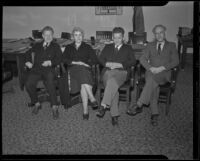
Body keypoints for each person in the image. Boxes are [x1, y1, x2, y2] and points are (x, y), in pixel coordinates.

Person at [126, 24, 179, 126]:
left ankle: (139, 104)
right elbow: (142, 59)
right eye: (156, 33)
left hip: (165, 73)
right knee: (152, 83)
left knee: (151, 81)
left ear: (164, 33)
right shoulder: (150, 45)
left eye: (161, 33)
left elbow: (176, 61)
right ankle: (154, 114)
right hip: (151, 72)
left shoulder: (171, 45)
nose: (159, 35)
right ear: (154, 35)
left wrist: (161, 68)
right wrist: (150, 68)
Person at [96, 27, 136, 126]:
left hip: (121, 73)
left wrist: (120, 65)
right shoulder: (108, 47)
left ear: (123, 37)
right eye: (115, 37)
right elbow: (100, 59)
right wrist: (108, 64)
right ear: (112, 38)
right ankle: (113, 115)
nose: (117, 40)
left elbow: (133, 61)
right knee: (112, 82)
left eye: (119, 37)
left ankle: (104, 105)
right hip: (107, 72)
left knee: (111, 82)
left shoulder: (128, 48)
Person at [25, 26, 62, 120]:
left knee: (50, 82)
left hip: (49, 69)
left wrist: (50, 62)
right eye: (46, 35)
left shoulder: (56, 46)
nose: (48, 37)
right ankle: (36, 103)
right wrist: (27, 61)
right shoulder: (37, 45)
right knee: (28, 84)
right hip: (36, 69)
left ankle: (54, 106)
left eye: (50, 35)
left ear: (52, 35)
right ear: (42, 35)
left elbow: (59, 59)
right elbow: (27, 54)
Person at [62, 27, 99, 120]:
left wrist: (86, 64)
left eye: (80, 35)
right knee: (82, 73)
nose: (78, 37)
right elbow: (64, 59)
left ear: (83, 36)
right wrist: (77, 63)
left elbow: (95, 59)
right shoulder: (68, 47)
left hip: (85, 71)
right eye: (76, 35)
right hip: (73, 70)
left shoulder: (87, 47)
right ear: (73, 37)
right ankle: (92, 98)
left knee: (83, 83)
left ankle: (85, 111)